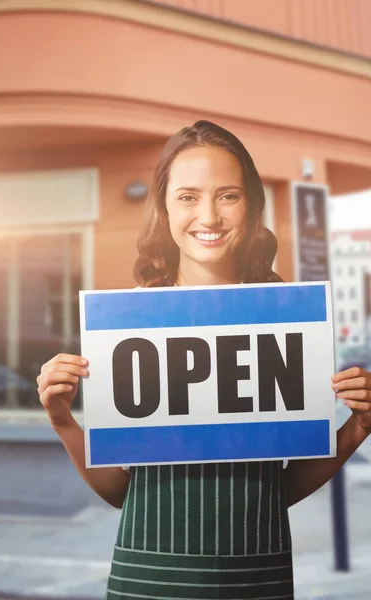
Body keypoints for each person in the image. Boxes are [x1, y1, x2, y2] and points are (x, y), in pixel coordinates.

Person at [37, 121, 371, 599]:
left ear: (253, 207)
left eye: (228, 195)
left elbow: (279, 489)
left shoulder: (286, 318)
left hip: (259, 575)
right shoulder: (129, 320)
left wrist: (356, 428)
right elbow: (119, 492)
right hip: (149, 577)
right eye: (189, 197)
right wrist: (63, 420)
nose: (209, 216)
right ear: (164, 207)